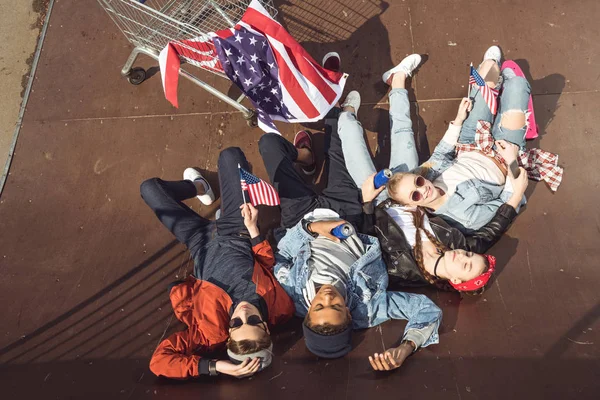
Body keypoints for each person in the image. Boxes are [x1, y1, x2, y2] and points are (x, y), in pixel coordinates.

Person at [257, 111, 442, 372]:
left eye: (319, 306)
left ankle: (305, 157)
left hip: (302, 217)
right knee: (334, 123)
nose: (328, 297)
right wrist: (406, 347)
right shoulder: (369, 307)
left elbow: (283, 254)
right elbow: (425, 309)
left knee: (269, 144)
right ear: (349, 315)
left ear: (308, 313)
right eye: (336, 306)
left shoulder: (293, 296)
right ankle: (317, 146)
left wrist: (312, 228)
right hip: (347, 213)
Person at [139, 147, 294, 380]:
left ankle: (199, 187)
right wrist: (254, 231)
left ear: (229, 333)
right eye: (252, 320)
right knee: (231, 156)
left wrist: (216, 367)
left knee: (149, 188)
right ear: (265, 327)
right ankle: (208, 189)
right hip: (238, 228)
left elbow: (160, 362)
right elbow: (266, 264)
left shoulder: (209, 334)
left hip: (198, 240)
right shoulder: (280, 308)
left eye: (236, 323)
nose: (243, 313)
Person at [339, 47, 531, 233]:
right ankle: (498, 99)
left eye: (419, 182)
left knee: (490, 68)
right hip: (504, 156)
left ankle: (491, 93)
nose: (423, 189)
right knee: (518, 85)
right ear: (412, 207)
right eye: (415, 195)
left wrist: (458, 120)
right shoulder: (464, 217)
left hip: (470, 142)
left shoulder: (427, 177)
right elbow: (509, 201)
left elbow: (440, 154)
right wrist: (512, 160)